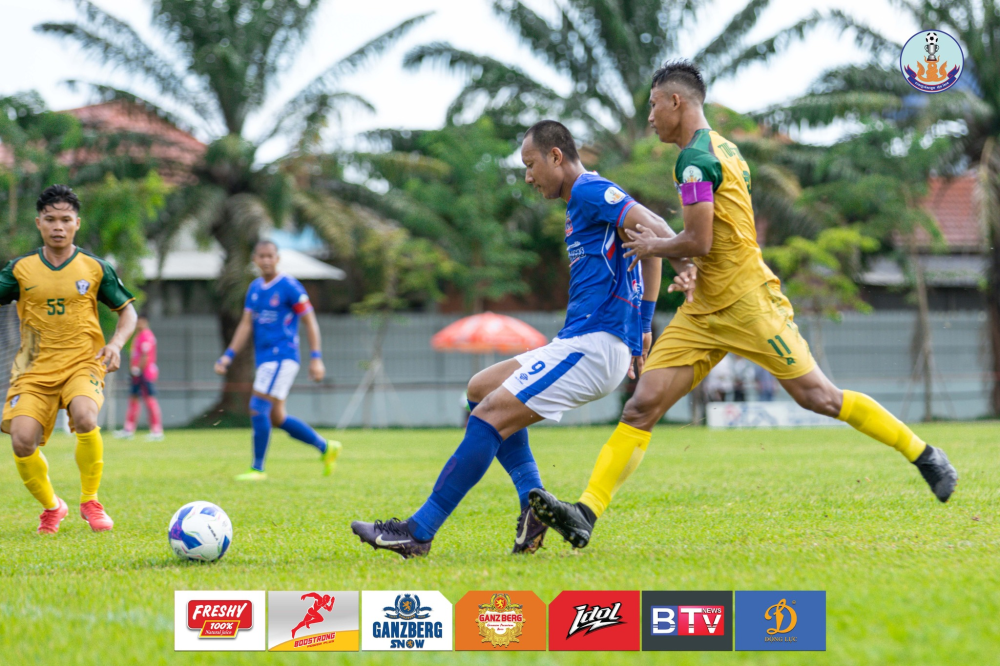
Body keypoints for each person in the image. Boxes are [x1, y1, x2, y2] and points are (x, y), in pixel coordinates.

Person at [529, 60, 959, 549]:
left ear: (676, 102)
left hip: (748, 301)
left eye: (653, 105)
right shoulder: (723, 148)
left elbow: (700, 240)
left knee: (819, 397)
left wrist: (655, 247)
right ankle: (586, 513)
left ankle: (926, 455)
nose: (649, 117)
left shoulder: (695, 160)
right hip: (705, 308)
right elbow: (711, 235)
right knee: (642, 405)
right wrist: (685, 264)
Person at [350, 120, 696, 559]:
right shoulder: (580, 203)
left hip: (593, 347)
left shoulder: (590, 190)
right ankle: (532, 505)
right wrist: (644, 324)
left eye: (531, 164)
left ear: (556, 156)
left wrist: (689, 266)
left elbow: (654, 225)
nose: (528, 177)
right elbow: (643, 244)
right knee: (480, 390)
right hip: (582, 343)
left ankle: (418, 531)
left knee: (489, 415)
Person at [0, 184, 137, 534]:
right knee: (22, 440)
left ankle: (90, 501)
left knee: (86, 416)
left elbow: (128, 312)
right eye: (50, 219)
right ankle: (52, 507)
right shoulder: (20, 269)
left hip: (82, 363)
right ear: (38, 223)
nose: (57, 226)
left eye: (65, 219)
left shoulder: (95, 268)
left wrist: (116, 344)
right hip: (33, 369)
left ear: (77, 223)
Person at [215, 240, 341, 480]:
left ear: (277, 258)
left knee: (257, 407)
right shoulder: (254, 288)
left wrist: (316, 358)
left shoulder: (289, 286)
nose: (266, 260)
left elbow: (310, 321)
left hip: (282, 355)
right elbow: (246, 324)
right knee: (276, 417)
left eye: (270, 256)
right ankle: (326, 447)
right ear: (254, 259)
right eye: (261, 256)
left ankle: (257, 469)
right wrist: (228, 355)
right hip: (265, 358)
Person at [115, 314, 164, 440]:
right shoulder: (138, 336)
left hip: (145, 374)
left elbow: (145, 356)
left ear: (145, 321)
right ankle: (128, 430)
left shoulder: (146, 336)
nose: (137, 324)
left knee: (150, 400)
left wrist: (137, 370)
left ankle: (156, 430)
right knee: (133, 400)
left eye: (139, 321)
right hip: (137, 374)